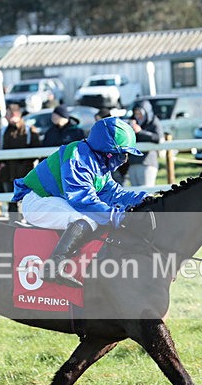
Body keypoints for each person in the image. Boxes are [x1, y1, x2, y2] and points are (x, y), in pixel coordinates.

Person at [12, 116, 148, 287]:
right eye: (122, 154)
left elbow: (114, 193)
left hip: (54, 199)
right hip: (37, 201)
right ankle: (52, 267)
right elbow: (82, 199)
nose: (125, 159)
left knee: (95, 217)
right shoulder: (78, 157)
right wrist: (117, 216)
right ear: (107, 151)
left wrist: (145, 200)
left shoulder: (98, 163)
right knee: (87, 219)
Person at [0, 103, 40, 221]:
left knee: (28, 201)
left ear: (15, 115)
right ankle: (13, 226)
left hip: (25, 173)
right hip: (7, 173)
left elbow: (36, 150)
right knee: (11, 201)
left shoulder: (28, 131)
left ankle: (30, 224)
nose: (6, 117)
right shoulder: (3, 132)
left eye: (8, 114)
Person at [127, 100, 163, 187]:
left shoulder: (154, 121)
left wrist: (140, 131)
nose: (138, 116)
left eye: (140, 113)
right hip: (132, 163)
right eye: (136, 113)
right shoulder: (132, 122)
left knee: (146, 193)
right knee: (135, 194)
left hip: (147, 162)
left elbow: (158, 138)